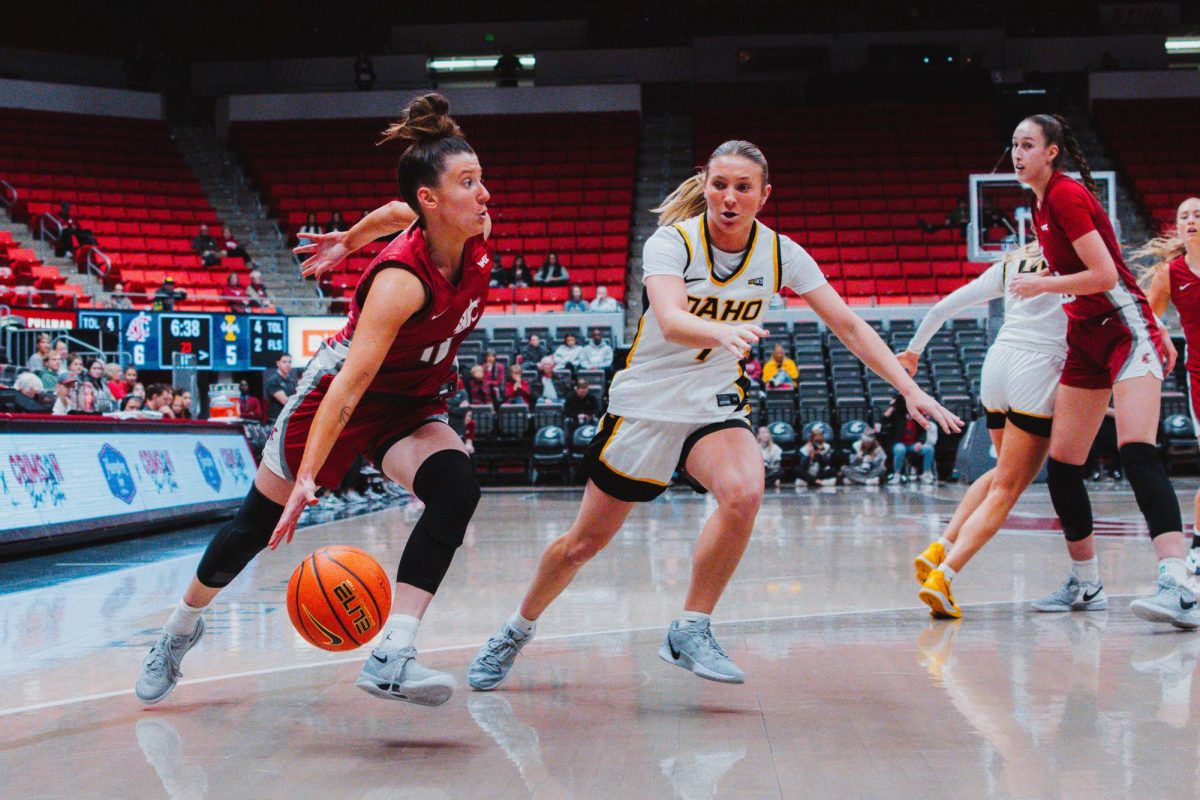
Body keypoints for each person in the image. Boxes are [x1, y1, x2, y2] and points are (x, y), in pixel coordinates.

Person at [467, 138, 959, 691]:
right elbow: (672, 319)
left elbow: (847, 325)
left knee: (745, 492)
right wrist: (721, 330)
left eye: (743, 187)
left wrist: (908, 388)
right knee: (583, 544)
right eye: (720, 184)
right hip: (647, 403)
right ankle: (516, 628)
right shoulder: (670, 243)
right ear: (705, 185)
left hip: (712, 399)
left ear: (763, 196)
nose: (729, 197)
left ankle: (691, 627)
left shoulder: (781, 254)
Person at [135, 92, 493, 708]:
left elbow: (392, 210)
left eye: (481, 178)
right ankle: (178, 630)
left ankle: (393, 654)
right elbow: (349, 388)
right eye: (468, 182)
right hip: (338, 393)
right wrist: (306, 479)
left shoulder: (474, 232)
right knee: (255, 526)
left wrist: (349, 239)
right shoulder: (400, 283)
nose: (485, 193)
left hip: (410, 404)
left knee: (456, 489)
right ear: (429, 201)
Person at [1003, 114, 1193, 628]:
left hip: (1126, 328)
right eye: (1013, 145)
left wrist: (1042, 285)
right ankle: (1086, 584)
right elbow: (1076, 267)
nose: (1017, 154)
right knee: (1064, 465)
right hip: (1085, 336)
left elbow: (1106, 274)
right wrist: (1051, 274)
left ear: (1052, 153)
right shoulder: (1040, 201)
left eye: (1027, 145)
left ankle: (1179, 584)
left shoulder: (1065, 195)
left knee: (1136, 450)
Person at [902, 244, 1067, 616]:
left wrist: (913, 352)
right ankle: (945, 576)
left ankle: (941, 546)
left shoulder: (1013, 262)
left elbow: (945, 307)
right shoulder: (1080, 256)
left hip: (997, 364)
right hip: (1037, 365)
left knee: (1001, 475)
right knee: (1010, 486)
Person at [1139, 196, 1200, 575]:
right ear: (1177, 227)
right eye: (1184, 216)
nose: (1191, 220)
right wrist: (1160, 332)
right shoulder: (1170, 272)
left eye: (1198, 214)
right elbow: (1146, 316)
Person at [881, 394, 933, 483]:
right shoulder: (897, 413)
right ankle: (897, 474)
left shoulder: (917, 414)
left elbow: (923, 430)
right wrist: (893, 406)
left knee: (929, 449)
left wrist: (920, 442)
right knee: (900, 449)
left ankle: (926, 473)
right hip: (899, 443)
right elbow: (884, 419)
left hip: (913, 444)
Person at [262, 353, 296, 424]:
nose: (288, 364)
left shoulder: (291, 381)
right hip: (276, 421)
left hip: (288, 420)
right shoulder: (273, 380)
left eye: (289, 362)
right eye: (284, 362)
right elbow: (285, 401)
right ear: (278, 363)